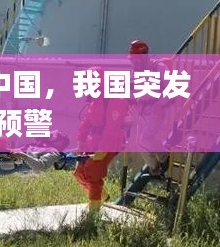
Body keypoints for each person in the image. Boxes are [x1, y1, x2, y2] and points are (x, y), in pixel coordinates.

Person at [73, 67, 130, 212]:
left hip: (109, 143)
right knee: (79, 173)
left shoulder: (115, 100)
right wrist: (80, 142)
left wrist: (103, 149)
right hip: (92, 141)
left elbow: (112, 128)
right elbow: (86, 123)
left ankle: (93, 215)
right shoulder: (95, 100)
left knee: (93, 174)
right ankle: (101, 196)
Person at [128, 39, 170, 177]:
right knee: (139, 144)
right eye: (133, 59)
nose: (134, 62)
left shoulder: (159, 67)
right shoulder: (136, 71)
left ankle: (164, 157)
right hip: (142, 110)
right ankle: (155, 170)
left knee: (144, 139)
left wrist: (160, 104)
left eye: (137, 59)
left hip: (156, 110)